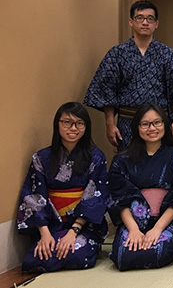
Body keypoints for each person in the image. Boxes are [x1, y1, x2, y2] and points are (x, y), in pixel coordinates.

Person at [84, 0, 173, 151]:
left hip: (159, 123)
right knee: (129, 165)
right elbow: (107, 90)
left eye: (150, 19)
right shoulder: (118, 53)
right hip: (128, 121)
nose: (145, 22)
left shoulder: (167, 54)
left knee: (159, 164)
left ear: (156, 23)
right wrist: (110, 124)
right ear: (131, 21)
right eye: (140, 18)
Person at [17, 102, 109, 273]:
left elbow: (96, 196)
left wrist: (73, 232)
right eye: (67, 122)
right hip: (51, 224)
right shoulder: (41, 157)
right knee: (32, 260)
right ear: (57, 124)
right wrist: (44, 234)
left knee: (79, 255)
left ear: (86, 127)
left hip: (83, 226)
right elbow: (34, 195)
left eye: (79, 123)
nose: (73, 128)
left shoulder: (96, 157)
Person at [107, 104, 173, 271]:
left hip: (165, 221)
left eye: (157, 122)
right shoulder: (122, 161)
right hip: (132, 222)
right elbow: (119, 199)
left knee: (156, 252)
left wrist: (157, 229)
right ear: (137, 127)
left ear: (165, 124)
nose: (152, 128)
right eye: (145, 124)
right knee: (123, 256)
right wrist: (134, 230)